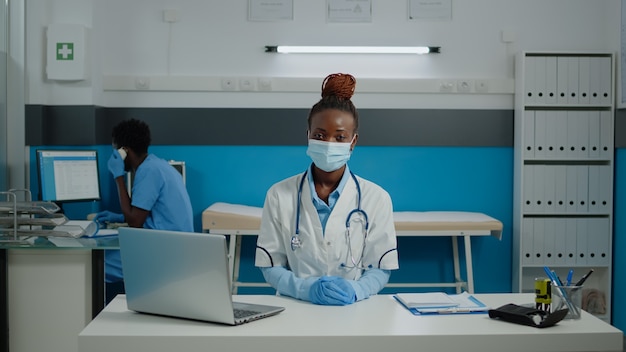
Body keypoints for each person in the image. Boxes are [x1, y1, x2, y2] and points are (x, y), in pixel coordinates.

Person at [255, 73, 398, 306]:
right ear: (308, 136)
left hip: (354, 307)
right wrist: (304, 289)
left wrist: (356, 289)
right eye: (320, 135)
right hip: (296, 306)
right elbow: (270, 264)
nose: (329, 144)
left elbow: (380, 267)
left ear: (353, 142)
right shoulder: (279, 194)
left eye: (340, 137)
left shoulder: (376, 198)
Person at [94, 118, 194, 303]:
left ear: (125, 151)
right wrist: (117, 216)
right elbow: (146, 211)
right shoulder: (158, 165)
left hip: (163, 254)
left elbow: (135, 221)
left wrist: (118, 177)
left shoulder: (148, 171)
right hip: (175, 249)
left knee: (96, 267)